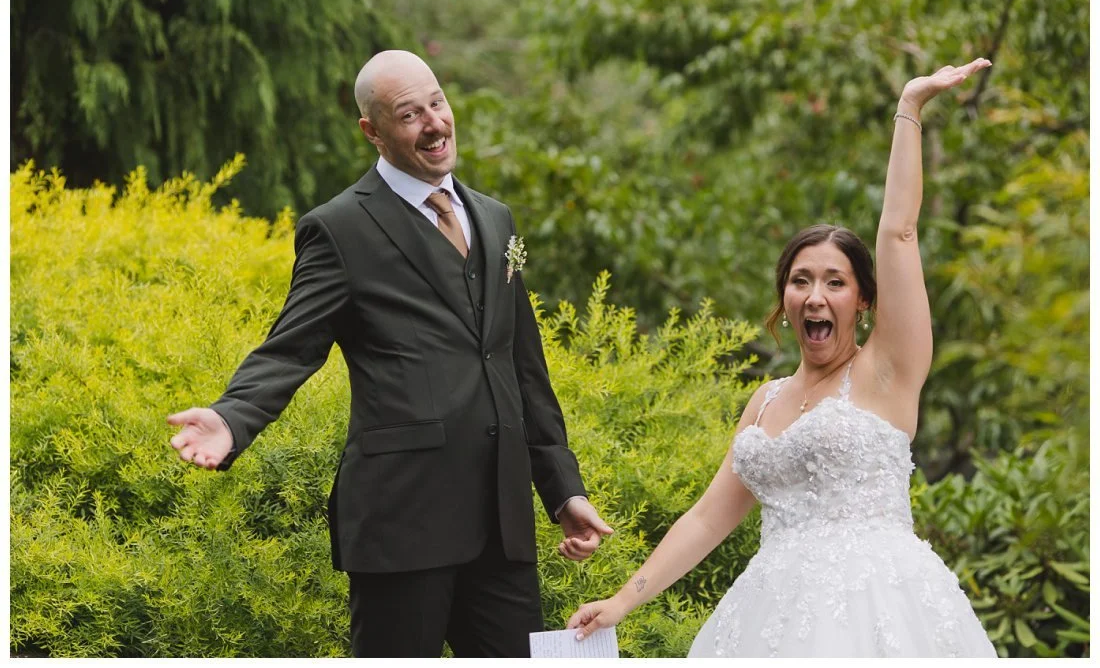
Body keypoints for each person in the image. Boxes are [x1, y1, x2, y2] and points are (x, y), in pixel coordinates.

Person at [168, 49, 612, 658]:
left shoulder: (495, 218)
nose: (434, 124)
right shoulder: (340, 229)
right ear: (372, 131)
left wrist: (563, 491)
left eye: (437, 103)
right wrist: (231, 416)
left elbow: (522, 371)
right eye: (409, 115)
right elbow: (291, 346)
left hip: (502, 528)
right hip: (403, 524)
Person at [566, 58, 998, 657]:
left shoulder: (887, 371)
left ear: (864, 300)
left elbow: (899, 231)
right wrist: (622, 600)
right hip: (768, 615)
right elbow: (707, 520)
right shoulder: (764, 402)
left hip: (878, 609)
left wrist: (909, 108)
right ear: (785, 300)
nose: (815, 296)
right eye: (801, 281)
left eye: (835, 283)